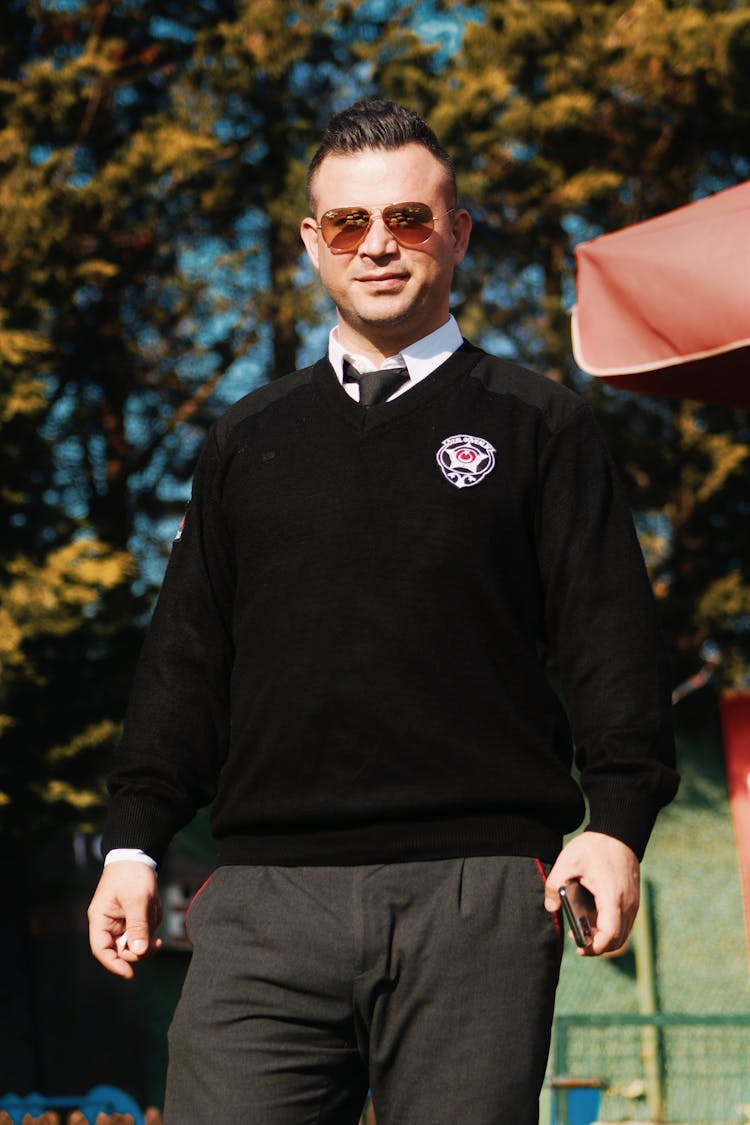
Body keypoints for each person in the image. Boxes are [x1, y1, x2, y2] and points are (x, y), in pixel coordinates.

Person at [88, 99, 679, 1124]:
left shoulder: (541, 426)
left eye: (408, 219)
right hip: (267, 902)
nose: (379, 246)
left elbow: (608, 643)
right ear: (313, 242)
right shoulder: (246, 441)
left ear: (457, 235)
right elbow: (186, 660)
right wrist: (134, 841)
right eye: (350, 224)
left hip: (481, 899)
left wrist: (617, 821)